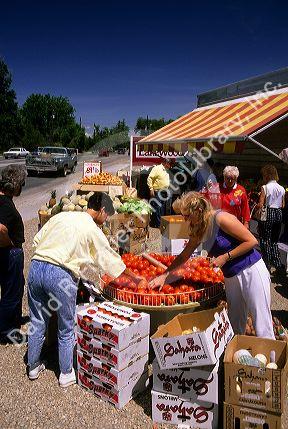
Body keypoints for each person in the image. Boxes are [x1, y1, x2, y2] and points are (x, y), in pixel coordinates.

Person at [27, 192, 141, 387]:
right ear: (102, 210)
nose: (105, 220)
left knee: (37, 320)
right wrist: (134, 277)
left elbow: (37, 241)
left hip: (36, 267)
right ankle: (65, 373)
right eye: (107, 215)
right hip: (60, 275)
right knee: (66, 326)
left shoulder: (61, 216)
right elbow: (108, 258)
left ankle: (33, 367)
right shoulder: (91, 228)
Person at [150, 192, 275, 339]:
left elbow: (252, 241)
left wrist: (225, 257)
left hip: (251, 270)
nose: (185, 220)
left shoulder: (221, 218)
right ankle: (233, 359)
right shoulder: (199, 227)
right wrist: (165, 275)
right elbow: (184, 255)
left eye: (187, 216)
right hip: (231, 276)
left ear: (199, 211)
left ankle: (272, 358)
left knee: (262, 322)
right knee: (235, 323)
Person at [0, 164, 27, 344]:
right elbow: (0, 229)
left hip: (7, 253)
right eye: (22, 184)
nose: (22, 187)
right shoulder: (5, 205)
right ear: (15, 184)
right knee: (11, 293)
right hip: (9, 253)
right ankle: (6, 332)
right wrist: (10, 243)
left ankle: (12, 322)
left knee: (15, 289)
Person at [257, 165, 285, 275]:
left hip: (268, 213)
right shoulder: (282, 188)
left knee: (265, 239)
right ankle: (278, 265)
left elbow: (260, 204)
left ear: (267, 175)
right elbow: (282, 204)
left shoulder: (265, 187)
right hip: (278, 213)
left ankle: (266, 265)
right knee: (274, 240)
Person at [147, 159, 172, 227]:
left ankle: (158, 223)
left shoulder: (165, 170)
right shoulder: (157, 168)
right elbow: (150, 178)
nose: (170, 166)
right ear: (165, 163)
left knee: (161, 208)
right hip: (157, 191)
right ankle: (158, 224)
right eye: (169, 164)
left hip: (164, 192)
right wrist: (151, 189)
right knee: (157, 208)